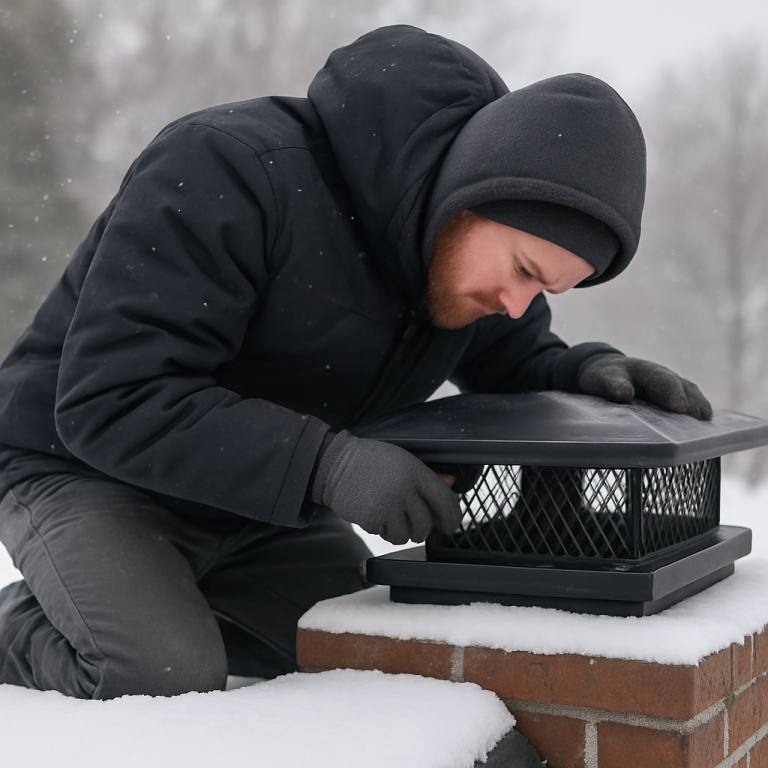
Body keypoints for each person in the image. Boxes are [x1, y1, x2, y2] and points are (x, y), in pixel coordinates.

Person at [0, 25, 710, 699]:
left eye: (546, 290)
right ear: (469, 195)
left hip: (253, 502)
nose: (518, 303)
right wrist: (330, 467)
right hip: (84, 468)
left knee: (368, 654)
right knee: (157, 670)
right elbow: (110, 398)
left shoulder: (461, 270)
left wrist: (588, 372)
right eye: (524, 269)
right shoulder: (231, 169)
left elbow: (518, 356)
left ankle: (153, 599)